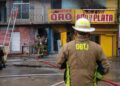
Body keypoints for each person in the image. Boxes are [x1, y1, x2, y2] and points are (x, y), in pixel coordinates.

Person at [56, 18, 110, 86]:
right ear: (89, 33)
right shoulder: (97, 48)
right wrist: (96, 77)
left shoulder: (67, 47)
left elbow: (59, 64)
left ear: (75, 32)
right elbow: (106, 67)